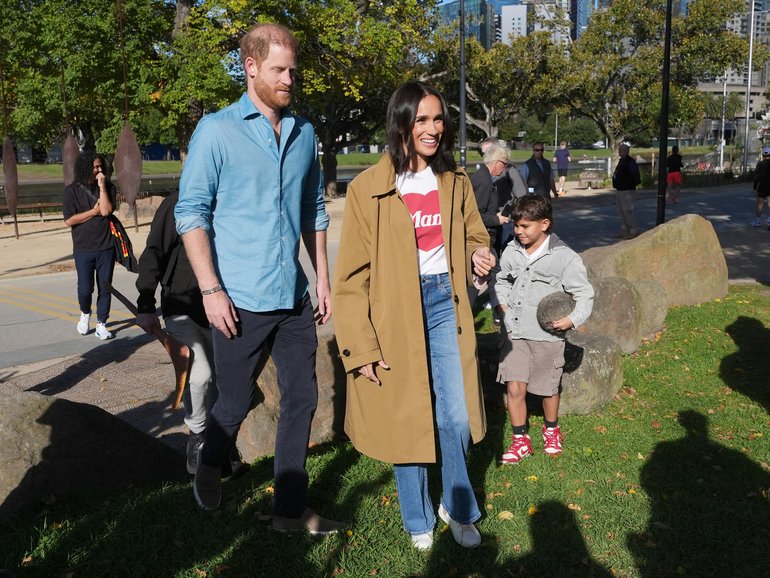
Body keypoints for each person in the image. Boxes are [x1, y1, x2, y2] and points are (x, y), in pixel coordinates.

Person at [174, 23, 346, 535]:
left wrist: (322, 279)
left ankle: (289, 512)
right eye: (279, 69)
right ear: (250, 67)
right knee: (233, 400)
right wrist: (210, 290)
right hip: (238, 300)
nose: (289, 78)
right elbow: (191, 212)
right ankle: (208, 461)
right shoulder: (217, 130)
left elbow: (314, 208)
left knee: (303, 399)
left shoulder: (304, 133)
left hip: (292, 295)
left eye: (292, 69)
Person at [333, 81, 495, 551]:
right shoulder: (367, 189)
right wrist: (360, 347)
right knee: (407, 416)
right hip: (394, 312)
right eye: (422, 119)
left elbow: (474, 238)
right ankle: (417, 517)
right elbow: (350, 281)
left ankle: (459, 507)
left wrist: (477, 258)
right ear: (401, 123)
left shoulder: (456, 181)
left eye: (439, 119)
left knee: (455, 415)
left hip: (446, 302)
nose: (433, 129)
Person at [135, 191, 245, 478]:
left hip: (225, 309)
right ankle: (197, 436)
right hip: (180, 307)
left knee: (224, 380)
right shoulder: (178, 201)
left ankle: (220, 442)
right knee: (200, 375)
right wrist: (145, 303)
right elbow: (154, 251)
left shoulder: (234, 195)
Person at [494, 195, 593, 464]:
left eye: (525, 226)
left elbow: (584, 295)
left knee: (548, 388)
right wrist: (502, 304)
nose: (518, 231)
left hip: (546, 336)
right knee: (515, 387)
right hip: (514, 333)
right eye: (516, 226)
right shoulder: (511, 250)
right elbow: (501, 280)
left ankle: (551, 429)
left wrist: (572, 319)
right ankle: (520, 439)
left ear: (544, 224)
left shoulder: (565, 258)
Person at [62, 151, 116, 340]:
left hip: (106, 247)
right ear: (85, 168)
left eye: (100, 166)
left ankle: (102, 323)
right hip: (83, 248)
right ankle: (85, 313)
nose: (98, 169)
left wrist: (102, 187)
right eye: (94, 167)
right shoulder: (71, 191)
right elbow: (69, 220)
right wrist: (93, 212)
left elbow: (107, 210)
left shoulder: (108, 187)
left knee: (105, 287)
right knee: (85, 289)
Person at [612, 143, 642, 239]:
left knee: (628, 211)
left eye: (621, 150)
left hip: (627, 190)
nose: (619, 152)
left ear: (625, 151)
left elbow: (635, 175)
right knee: (621, 211)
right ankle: (624, 230)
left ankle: (634, 230)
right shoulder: (622, 161)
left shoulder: (630, 161)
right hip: (620, 189)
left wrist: (630, 184)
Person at [752, 146, 770, 228]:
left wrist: (755, 187)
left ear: (763, 155)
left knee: (760, 204)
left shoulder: (760, 164)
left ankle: (757, 221)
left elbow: (756, 177)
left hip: (762, 186)